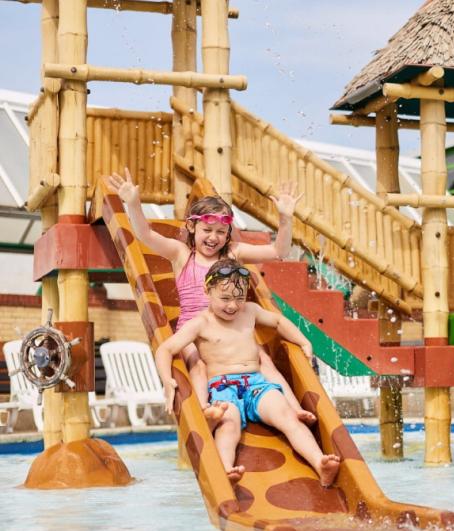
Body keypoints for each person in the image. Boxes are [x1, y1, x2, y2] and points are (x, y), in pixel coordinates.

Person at [105, 169, 314, 425]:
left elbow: (278, 250)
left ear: (228, 234)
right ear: (192, 227)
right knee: (198, 365)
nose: (213, 237)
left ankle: (293, 409)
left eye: (220, 232)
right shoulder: (182, 254)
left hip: (229, 332)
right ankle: (205, 410)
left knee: (264, 361)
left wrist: (285, 218)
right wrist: (134, 203)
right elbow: (146, 235)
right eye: (207, 229)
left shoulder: (234, 253)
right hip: (195, 331)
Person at [156, 259, 340, 486]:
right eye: (225, 298)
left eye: (239, 298)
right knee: (228, 424)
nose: (233, 305)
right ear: (207, 291)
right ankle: (226, 471)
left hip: (257, 383)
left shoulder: (250, 311)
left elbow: (278, 322)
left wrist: (303, 342)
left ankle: (320, 462)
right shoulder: (199, 323)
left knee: (287, 416)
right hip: (222, 387)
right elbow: (165, 348)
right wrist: (167, 381)